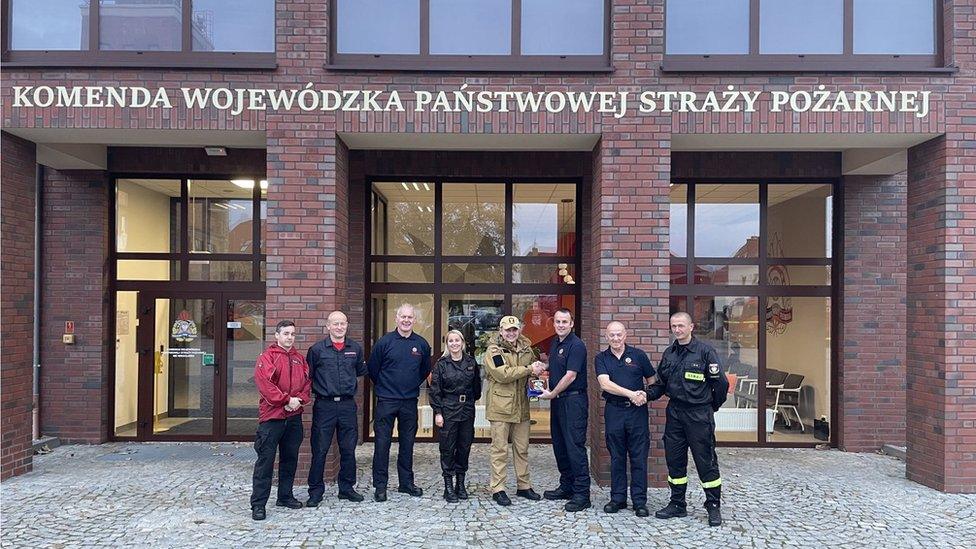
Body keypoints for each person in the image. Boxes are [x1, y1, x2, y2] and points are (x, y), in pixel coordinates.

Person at [647, 311, 729, 527]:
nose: (677, 330)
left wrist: (712, 406)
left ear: (691, 327)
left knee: (706, 460)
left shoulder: (705, 352)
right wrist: (644, 395)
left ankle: (713, 506)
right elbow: (661, 385)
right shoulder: (669, 353)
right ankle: (677, 503)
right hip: (675, 413)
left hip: (699, 414)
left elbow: (721, 384)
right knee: (674, 460)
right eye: (674, 326)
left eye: (681, 326)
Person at [368, 303, 431, 502]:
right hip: (386, 400)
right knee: (382, 444)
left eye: (410, 317)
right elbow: (373, 369)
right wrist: (386, 387)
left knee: (407, 444)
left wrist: (409, 386)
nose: (406, 320)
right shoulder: (384, 342)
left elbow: (424, 371)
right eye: (403, 317)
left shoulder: (421, 344)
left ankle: (406, 483)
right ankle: (380, 486)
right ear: (396, 318)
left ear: (414, 320)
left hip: (409, 402)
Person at [249, 320, 312, 521]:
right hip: (272, 418)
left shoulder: (299, 359)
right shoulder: (267, 358)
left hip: (294, 417)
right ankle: (258, 504)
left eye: (292, 334)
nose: (289, 337)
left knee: (290, 459)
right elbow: (266, 385)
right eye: (286, 333)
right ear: (277, 335)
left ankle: (285, 496)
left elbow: (307, 385)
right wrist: (286, 400)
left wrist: (298, 401)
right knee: (265, 462)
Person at [305, 311, 367, 507]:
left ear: (347, 325)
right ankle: (315, 491)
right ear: (328, 326)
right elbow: (309, 376)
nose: (339, 327)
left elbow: (359, 372)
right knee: (320, 449)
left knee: (348, 449)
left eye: (342, 324)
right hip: (325, 405)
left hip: (348, 405)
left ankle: (346, 489)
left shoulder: (355, 349)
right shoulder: (316, 350)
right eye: (335, 324)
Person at [484, 315, 546, 506]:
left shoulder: (527, 348)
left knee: (522, 449)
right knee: (499, 450)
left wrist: (538, 371)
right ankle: (498, 488)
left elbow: (531, 372)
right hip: (500, 407)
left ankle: (524, 486)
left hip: (521, 407)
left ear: (519, 330)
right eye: (508, 330)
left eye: (514, 329)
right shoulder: (493, 350)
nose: (511, 333)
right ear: (501, 331)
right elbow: (502, 374)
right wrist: (529, 369)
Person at [595, 321, 655, 517]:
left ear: (625, 335)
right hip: (615, 411)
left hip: (637, 414)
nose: (615, 338)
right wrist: (631, 394)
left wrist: (645, 395)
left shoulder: (639, 355)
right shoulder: (601, 358)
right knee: (617, 457)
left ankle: (639, 501)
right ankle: (617, 499)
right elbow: (605, 384)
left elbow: (653, 381)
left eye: (618, 334)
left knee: (639, 458)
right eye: (611, 335)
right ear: (606, 337)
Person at [539, 308, 591, 512]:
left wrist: (552, 393)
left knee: (574, 447)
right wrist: (540, 367)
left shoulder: (576, 345)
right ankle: (567, 486)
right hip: (559, 402)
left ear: (571, 324)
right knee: (560, 446)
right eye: (558, 321)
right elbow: (556, 368)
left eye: (565, 322)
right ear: (554, 324)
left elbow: (570, 376)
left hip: (573, 402)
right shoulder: (556, 342)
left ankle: (582, 494)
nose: (561, 325)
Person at [429, 329, 482, 502]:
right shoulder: (441, 364)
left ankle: (461, 483)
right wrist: (438, 412)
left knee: (464, 446)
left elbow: (477, 389)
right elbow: (435, 390)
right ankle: (448, 486)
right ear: (447, 344)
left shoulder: (471, 362)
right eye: (450, 341)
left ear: (462, 342)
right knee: (447, 448)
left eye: (457, 340)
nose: (454, 344)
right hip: (448, 409)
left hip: (466, 409)